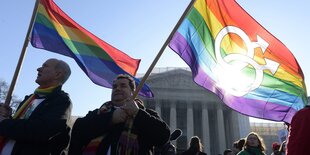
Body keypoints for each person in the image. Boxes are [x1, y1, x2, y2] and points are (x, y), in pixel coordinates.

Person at [68, 74, 170, 155]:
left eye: (123, 85)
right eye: (114, 87)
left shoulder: (147, 114)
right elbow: (78, 132)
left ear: (132, 91)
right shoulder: (99, 113)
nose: (117, 88)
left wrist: (137, 113)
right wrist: (110, 118)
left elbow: (163, 137)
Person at [0, 58, 72, 155]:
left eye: (45, 66)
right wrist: (8, 117)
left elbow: (40, 131)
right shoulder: (30, 98)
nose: (38, 69)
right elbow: (20, 128)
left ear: (58, 74)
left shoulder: (62, 101)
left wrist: (3, 122)